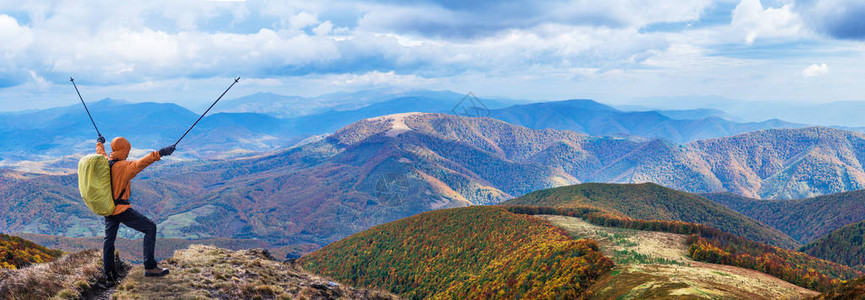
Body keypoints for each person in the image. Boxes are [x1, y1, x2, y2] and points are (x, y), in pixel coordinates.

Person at [96, 135, 175, 281]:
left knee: (109, 241)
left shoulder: (104, 162)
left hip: (108, 208)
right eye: (127, 150)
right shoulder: (125, 167)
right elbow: (142, 162)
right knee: (150, 228)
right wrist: (161, 153)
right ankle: (150, 267)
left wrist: (99, 142)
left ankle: (109, 275)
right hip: (122, 210)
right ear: (124, 150)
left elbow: (100, 152)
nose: (128, 153)